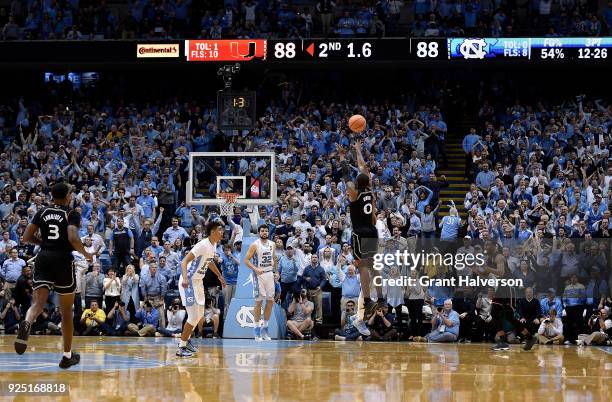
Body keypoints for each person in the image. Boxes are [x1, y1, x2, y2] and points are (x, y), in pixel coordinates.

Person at [16, 182, 92, 369]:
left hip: (43, 259)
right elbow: (73, 237)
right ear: (67, 196)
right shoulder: (71, 213)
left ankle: (26, 322)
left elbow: (25, 237)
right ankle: (67, 356)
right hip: (63, 261)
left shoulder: (42, 211)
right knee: (66, 312)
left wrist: (42, 243)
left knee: (37, 304)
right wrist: (86, 253)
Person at [337, 140, 381, 333]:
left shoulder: (353, 193)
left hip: (360, 232)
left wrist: (341, 157)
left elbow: (346, 174)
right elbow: (363, 168)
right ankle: (377, 297)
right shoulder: (369, 190)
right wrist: (357, 150)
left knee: (362, 266)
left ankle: (370, 300)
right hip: (373, 231)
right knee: (372, 266)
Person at [177, 221, 226, 357]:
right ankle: (181, 347)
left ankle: (186, 341)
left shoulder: (213, 245)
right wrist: (186, 278)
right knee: (193, 316)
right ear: (212, 232)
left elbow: (209, 261)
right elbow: (184, 261)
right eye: (220, 230)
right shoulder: (202, 245)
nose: (222, 232)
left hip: (198, 282)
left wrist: (219, 276)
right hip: (189, 281)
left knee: (199, 315)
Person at [244, 225, 277, 341]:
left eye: (266, 230)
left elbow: (274, 258)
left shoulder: (272, 244)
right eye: (262, 230)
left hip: (269, 274)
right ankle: (256, 329)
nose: (264, 232)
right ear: (259, 232)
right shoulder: (255, 244)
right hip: (258, 275)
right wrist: (255, 269)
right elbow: (246, 260)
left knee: (270, 301)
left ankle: (265, 329)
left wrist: (276, 271)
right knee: (259, 302)